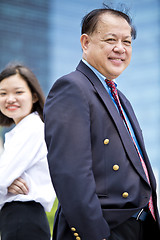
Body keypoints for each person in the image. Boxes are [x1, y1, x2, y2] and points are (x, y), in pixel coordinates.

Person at [44, 5, 160, 240]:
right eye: (110, 39)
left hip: (137, 228)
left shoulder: (119, 97)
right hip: (103, 230)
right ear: (85, 43)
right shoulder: (72, 87)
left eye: (127, 42)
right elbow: (71, 174)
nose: (120, 48)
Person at [0, 64, 56, 240]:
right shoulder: (21, 131)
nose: (10, 99)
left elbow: (2, 177)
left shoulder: (32, 128)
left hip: (23, 220)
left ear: (33, 96)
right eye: (3, 93)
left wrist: (4, 184)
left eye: (18, 92)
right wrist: (5, 185)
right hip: (20, 220)